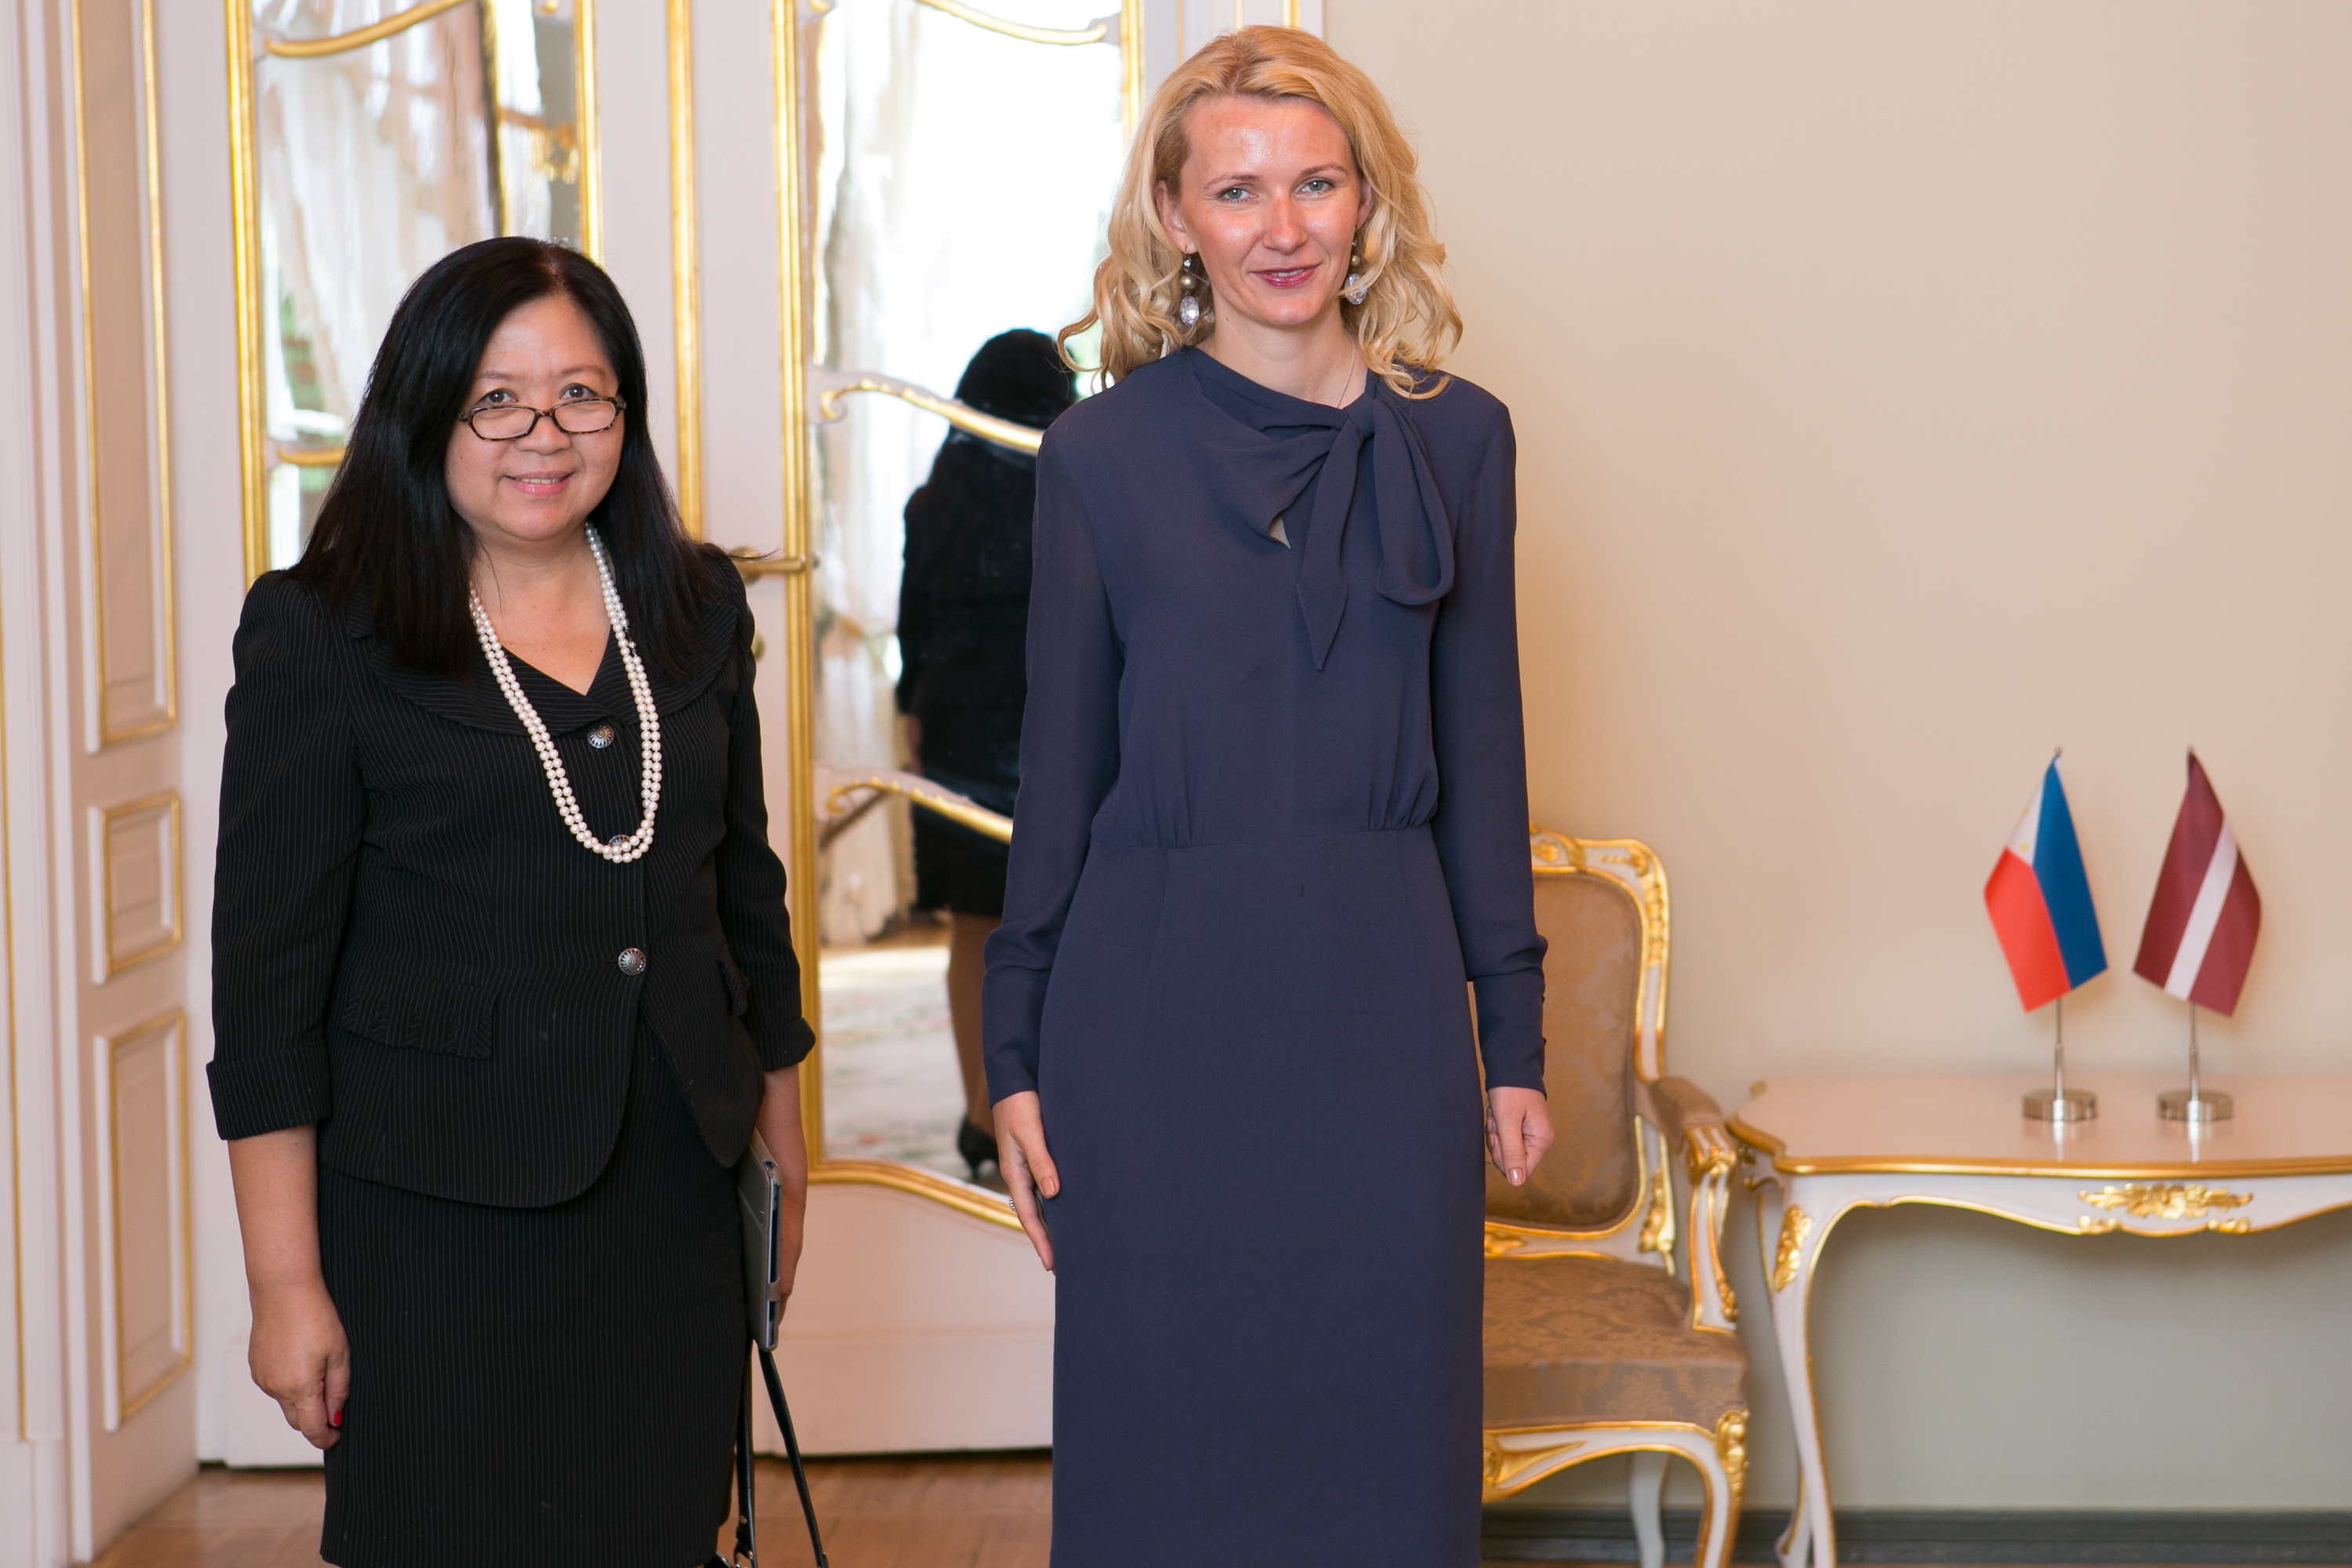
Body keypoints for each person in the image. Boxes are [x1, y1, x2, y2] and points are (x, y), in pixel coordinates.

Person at [983, 26, 1555, 1566]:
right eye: (1237, 191)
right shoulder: (1099, 455)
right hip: (1151, 1020)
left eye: (1316, 183)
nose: (1282, 227)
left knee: (1385, 1452)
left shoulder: (1462, 438)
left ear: (1367, 201)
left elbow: (1484, 757)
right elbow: (1061, 773)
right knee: (1168, 1465)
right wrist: (1013, 1046)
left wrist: (1510, 1033)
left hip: (1381, 1017)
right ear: (1175, 216)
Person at [208, 237, 813, 1568]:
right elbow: (265, 995)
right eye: (497, 400)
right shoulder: (322, 629)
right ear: (426, 413)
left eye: (581, 394)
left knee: (659, 1538)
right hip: (433, 1222)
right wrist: (285, 1286)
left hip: (672, 1194)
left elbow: (745, 898)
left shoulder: (696, 605)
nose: (544, 433)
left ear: (624, 413)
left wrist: (779, 1142)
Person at [895, 329, 1078, 1180]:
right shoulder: (1076, 486)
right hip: (1053, 725)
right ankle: (1032, 1107)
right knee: (1054, 931)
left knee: (973, 930)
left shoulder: (932, 500)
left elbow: (915, 631)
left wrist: (914, 722)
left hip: (957, 729)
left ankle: (980, 1114)